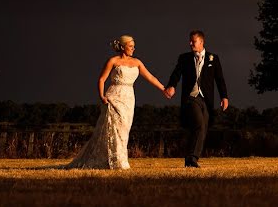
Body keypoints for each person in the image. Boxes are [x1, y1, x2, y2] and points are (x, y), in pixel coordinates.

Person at [65, 35, 166, 170]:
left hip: (129, 98)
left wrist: (164, 89)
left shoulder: (137, 62)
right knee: (114, 129)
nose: (133, 49)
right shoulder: (113, 61)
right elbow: (101, 79)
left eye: (134, 46)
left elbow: (150, 77)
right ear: (123, 47)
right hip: (114, 97)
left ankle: (118, 159)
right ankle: (118, 161)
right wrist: (101, 96)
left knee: (124, 129)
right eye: (131, 46)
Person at [164, 30, 229, 168]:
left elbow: (220, 79)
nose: (190, 43)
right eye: (190, 41)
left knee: (203, 128)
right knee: (199, 124)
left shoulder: (213, 58)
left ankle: (191, 159)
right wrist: (171, 86)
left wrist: (224, 96)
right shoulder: (184, 58)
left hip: (206, 99)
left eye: (193, 41)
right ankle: (192, 159)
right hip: (190, 98)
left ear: (201, 42)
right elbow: (176, 73)